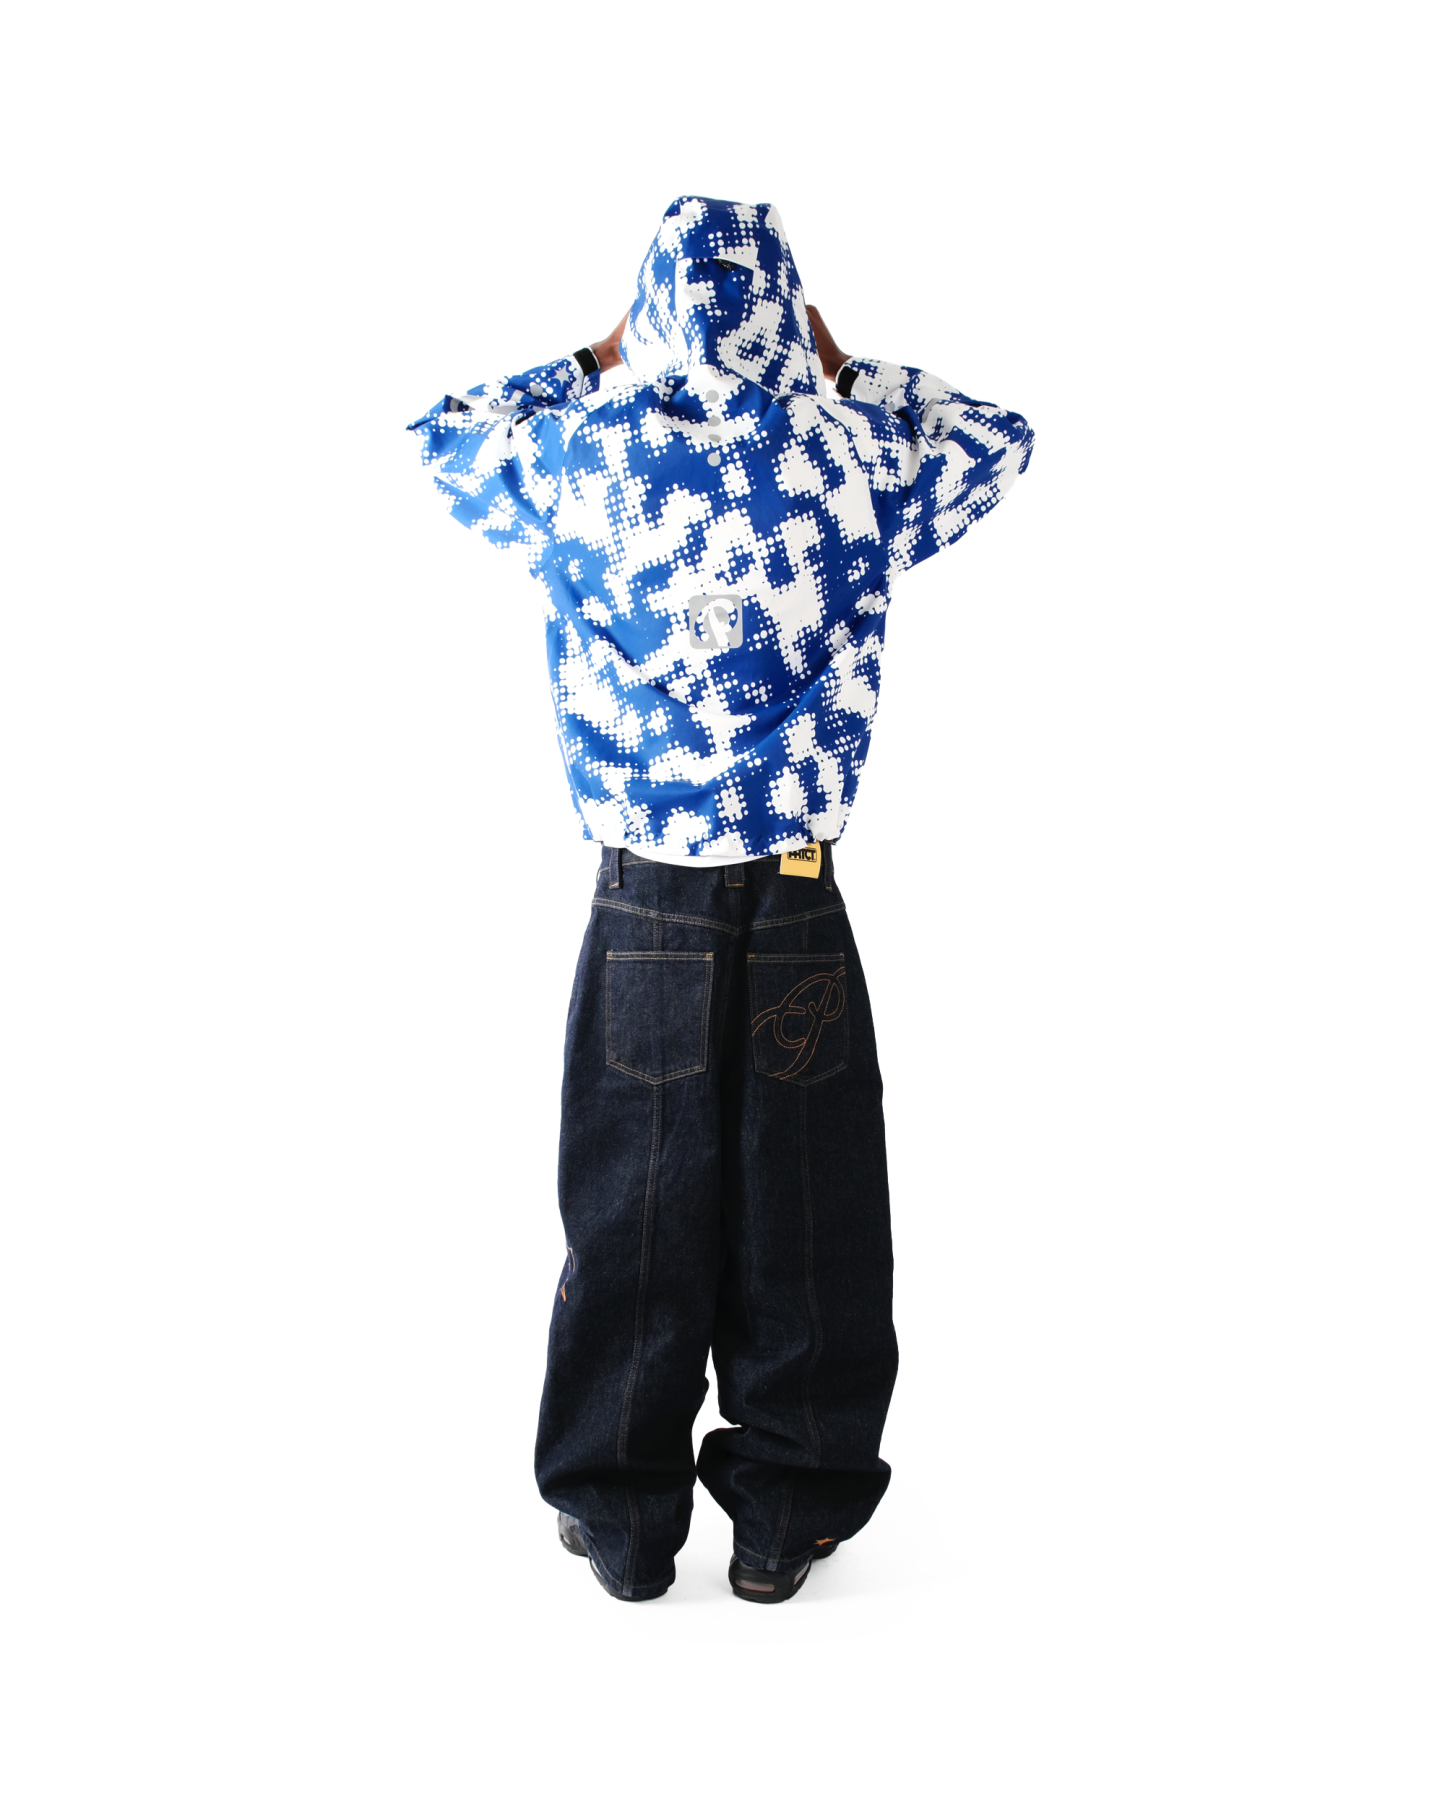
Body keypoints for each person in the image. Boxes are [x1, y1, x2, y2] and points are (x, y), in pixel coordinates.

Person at [408, 195, 1033, 1603]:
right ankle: (788, 1514)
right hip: (796, 896)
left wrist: (592, 359)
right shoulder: (851, 459)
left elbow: (444, 435)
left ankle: (622, 1522)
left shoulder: (583, 459)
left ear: (653, 306)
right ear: (787, 306)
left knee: (630, 1210)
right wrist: (850, 369)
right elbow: (1000, 440)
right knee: (807, 1212)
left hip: (644, 900)